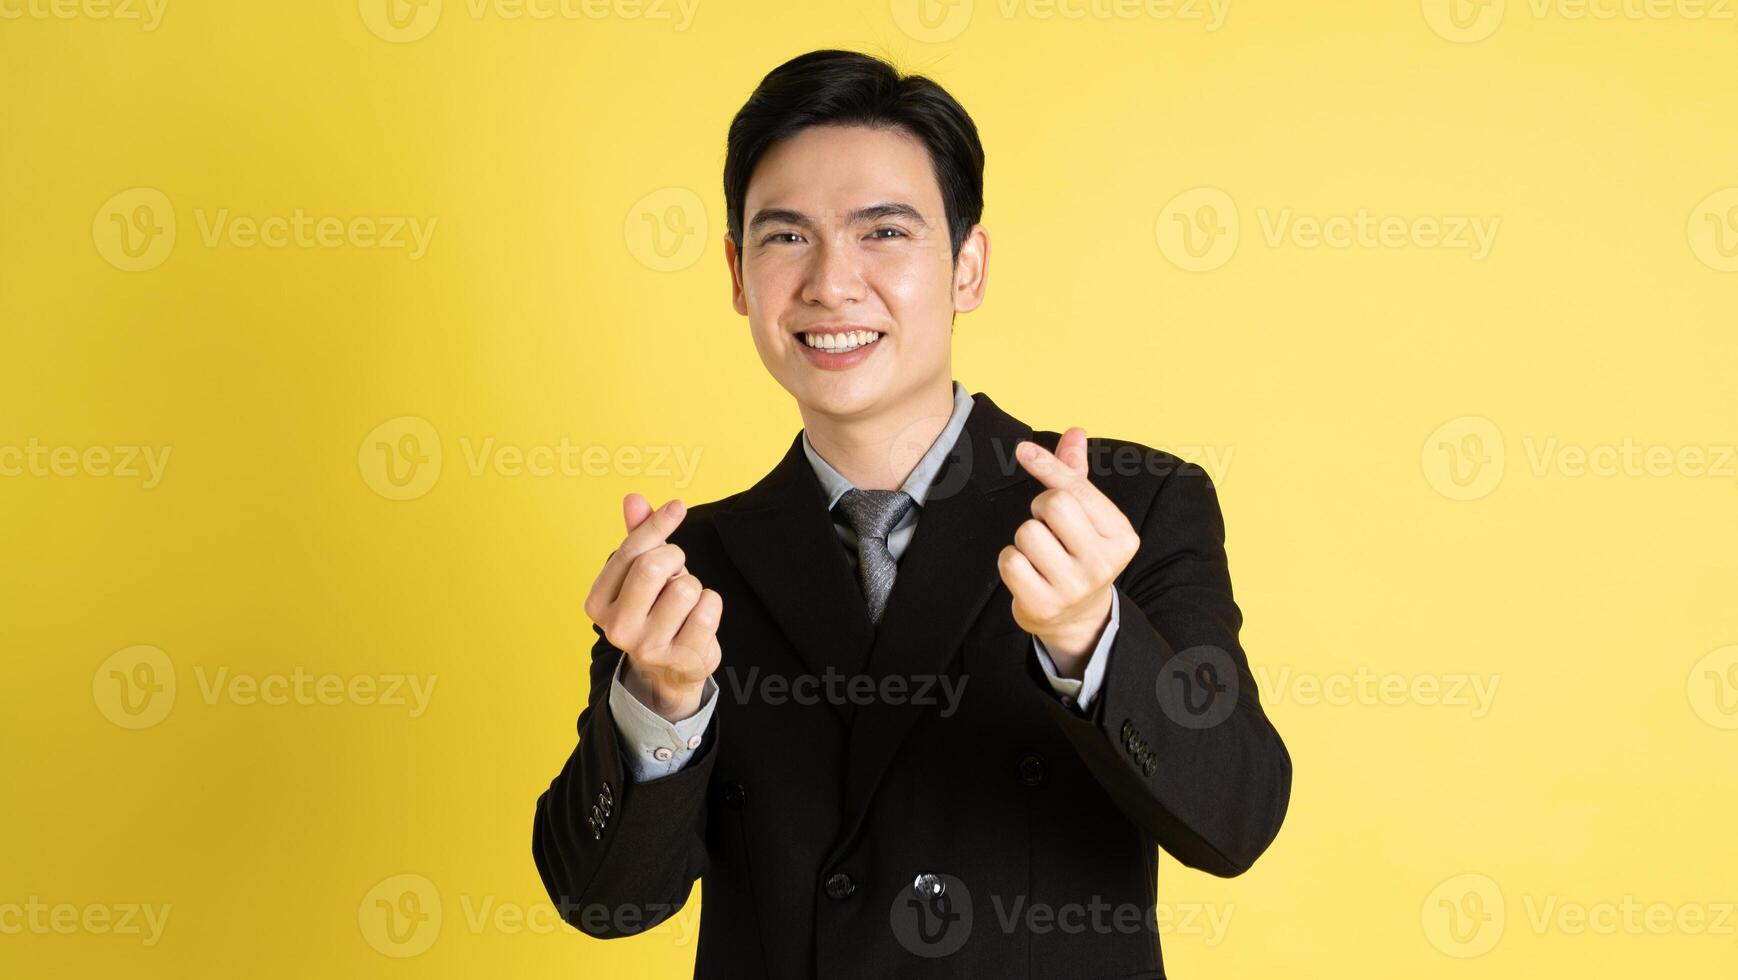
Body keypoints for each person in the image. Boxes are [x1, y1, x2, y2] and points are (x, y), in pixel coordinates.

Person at [532, 48, 1291, 979]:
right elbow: (605, 903)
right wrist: (659, 705)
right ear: (737, 275)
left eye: (883, 233)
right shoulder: (686, 572)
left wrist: (1093, 638)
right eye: (785, 237)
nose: (830, 283)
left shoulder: (1125, 508)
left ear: (967, 266)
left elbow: (1238, 819)